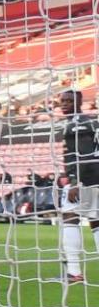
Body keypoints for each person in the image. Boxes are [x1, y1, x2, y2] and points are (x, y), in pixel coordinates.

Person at [57, 89, 99, 283]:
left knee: (69, 218)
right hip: (95, 179)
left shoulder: (77, 124)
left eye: (68, 101)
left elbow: (84, 155)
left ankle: (74, 272)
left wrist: (75, 181)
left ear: (78, 102)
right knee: (96, 223)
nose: (63, 104)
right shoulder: (90, 122)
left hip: (85, 180)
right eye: (62, 101)